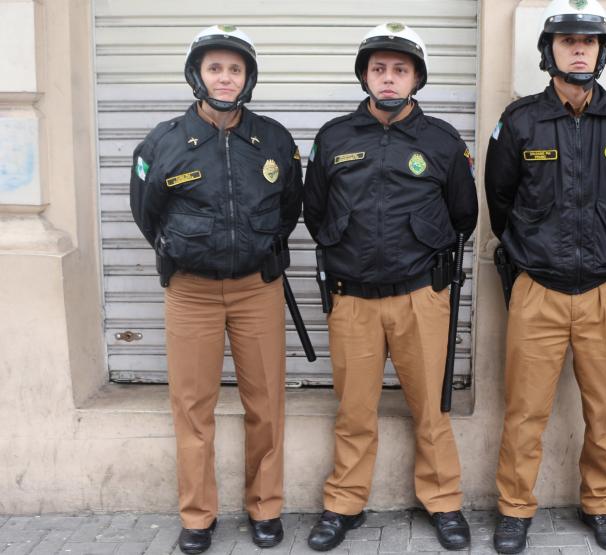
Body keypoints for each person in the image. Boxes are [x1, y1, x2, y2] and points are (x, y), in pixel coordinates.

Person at [485, 0, 606, 551]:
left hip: (605, 291)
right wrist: (529, 255)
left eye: (589, 42)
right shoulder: (520, 121)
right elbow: (500, 200)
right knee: (524, 411)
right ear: (549, 51)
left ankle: (601, 504)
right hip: (537, 288)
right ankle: (515, 509)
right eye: (569, 41)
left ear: (601, 52)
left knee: (604, 410)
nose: (579, 49)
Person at [302, 22, 479, 552]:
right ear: (364, 75)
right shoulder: (334, 137)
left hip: (420, 296)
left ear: (416, 78)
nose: (388, 78)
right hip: (352, 298)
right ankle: (343, 503)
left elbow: (463, 215)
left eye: (400, 70)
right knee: (355, 411)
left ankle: (444, 502)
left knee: (430, 409)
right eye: (378, 69)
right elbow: (314, 211)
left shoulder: (442, 141)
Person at [129, 25, 303, 554]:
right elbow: (145, 213)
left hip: (257, 289)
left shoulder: (273, 139)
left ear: (248, 78)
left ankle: (265, 508)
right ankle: (198, 515)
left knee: (266, 403)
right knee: (192, 406)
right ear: (197, 74)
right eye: (215, 68)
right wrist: (185, 251)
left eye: (235, 69)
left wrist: (257, 248)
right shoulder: (162, 142)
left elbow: (289, 209)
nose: (225, 78)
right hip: (191, 293)